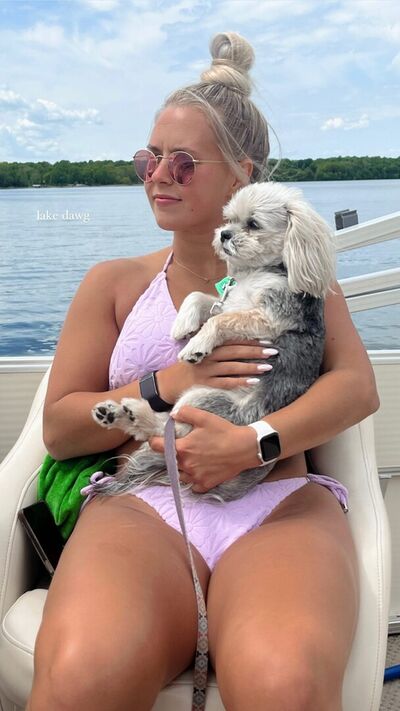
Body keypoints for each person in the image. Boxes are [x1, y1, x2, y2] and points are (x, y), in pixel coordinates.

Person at [27, 31, 378, 711]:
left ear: (242, 174)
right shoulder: (113, 284)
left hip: (277, 503)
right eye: (148, 158)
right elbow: (62, 429)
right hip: (146, 505)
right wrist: (173, 381)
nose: (158, 175)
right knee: (80, 678)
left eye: (183, 163)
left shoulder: (301, 279)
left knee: (286, 686)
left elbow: (355, 387)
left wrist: (253, 444)